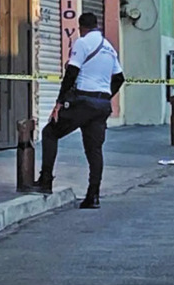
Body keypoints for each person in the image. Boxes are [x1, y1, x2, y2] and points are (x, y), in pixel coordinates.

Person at [32, 12, 125, 209]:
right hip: (101, 105)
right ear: (97, 25)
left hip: (83, 101)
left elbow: (71, 73)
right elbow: (119, 78)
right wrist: (106, 95)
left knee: (50, 132)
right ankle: (93, 195)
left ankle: (45, 180)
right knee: (94, 150)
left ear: (81, 27)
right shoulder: (109, 48)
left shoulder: (82, 43)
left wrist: (59, 102)